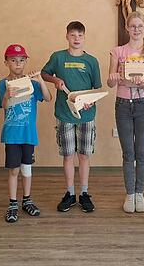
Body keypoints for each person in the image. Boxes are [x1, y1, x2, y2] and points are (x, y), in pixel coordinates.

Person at [41, 21, 102, 213]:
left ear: (84, 38)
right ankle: (69, 193)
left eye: (80, 35)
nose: (76, 39)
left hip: (86, 115)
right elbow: (43, 73)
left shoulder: (92, 61)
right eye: (73, 35)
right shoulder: (57, 57)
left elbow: (97, 88)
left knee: (84, 155)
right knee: (68, 155)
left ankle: (84, 193)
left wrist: (91, 101)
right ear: (67, 36)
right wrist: (55, 79)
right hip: (64, 114)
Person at [107, 11, 144, 213]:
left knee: (142, 152)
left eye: (140, 26)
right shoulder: (118, 51)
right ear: (127, 28)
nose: (136, 29)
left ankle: (140, 193)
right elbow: (110, 81)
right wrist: (114, 77)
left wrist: (138, 82)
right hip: (122, 104)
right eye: (133, 26)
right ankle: (130, 194)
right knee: (128, 152)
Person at [0, 44, 52, 223]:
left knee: (27, 169)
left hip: (28, 134)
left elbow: (48, 97)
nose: (18, 64)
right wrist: (7, 94)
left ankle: (27, 200)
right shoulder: (2, 83)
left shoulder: (33, 83)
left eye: (21, 60)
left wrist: (40, 80)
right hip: (12, 134)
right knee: (14, 170)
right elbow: (3, 105)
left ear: (25, 61)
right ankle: (12, 204)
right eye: (13, 61)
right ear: (6, 63)